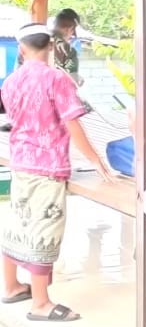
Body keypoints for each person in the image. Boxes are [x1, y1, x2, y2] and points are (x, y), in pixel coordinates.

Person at [0, 23, 112, 322]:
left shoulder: (10, 81)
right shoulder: (57, 79)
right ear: (50, 46)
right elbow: (72, 123)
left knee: (18, 223)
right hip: (48, 167)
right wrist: (96, 160)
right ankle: (40, 303)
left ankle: (10, 287)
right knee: (44, 231)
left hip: (20, 162)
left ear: (21, 49)